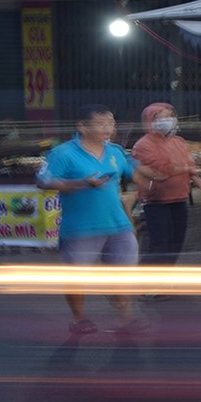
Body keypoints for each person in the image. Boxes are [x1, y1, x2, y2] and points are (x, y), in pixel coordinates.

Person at [36, 104, 146, 334]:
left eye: (112, 123)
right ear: (82, 127)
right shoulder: (62, 154)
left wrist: (149, 180)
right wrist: (80, 183)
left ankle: (125, 319)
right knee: (77, 276)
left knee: (124, 273)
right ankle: (79, 318)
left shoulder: (115, 151)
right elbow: (43, 182)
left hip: (118, 224)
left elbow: (132, 171)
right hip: (81, 228)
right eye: (102, 123)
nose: (109, 128)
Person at [131, 103, 201, 266]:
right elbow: (160, 172)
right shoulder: (143, 145)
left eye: (170, 117)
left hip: (179, 198)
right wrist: (182, 168)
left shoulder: (178, 141)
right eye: (162, 118)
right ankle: (150, 278)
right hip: (156, 201)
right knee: (159, 242)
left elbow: (191, 168)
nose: (168, 121)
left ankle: (166, 275)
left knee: (176, 240)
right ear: (150, 121)